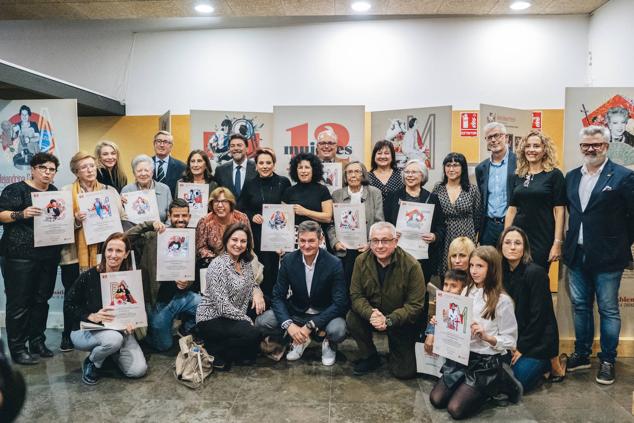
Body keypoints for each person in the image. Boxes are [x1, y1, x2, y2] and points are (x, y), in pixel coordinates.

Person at [563, 125, 634, 385]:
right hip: (576, 255)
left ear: (606, 146)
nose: (591, 149)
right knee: (580, 307)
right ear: (580, 147)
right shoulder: (571, 177)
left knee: (608, 309)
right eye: (586, 145)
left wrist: (619, 243)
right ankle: (582, 355)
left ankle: (607, 360)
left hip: (608, 257)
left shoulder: (623, 176)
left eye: (597, 144)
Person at [429, 246, 520, 420]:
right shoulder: (467, 290)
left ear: (492, 268)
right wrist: (440, 322)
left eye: (480, 266)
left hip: (486, 362)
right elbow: (456, 321)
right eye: (471, 265)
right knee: (437, 399)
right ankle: (468, 386)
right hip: (463, 355)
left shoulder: (503, 301)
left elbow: (511, 340)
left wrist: (487, 336)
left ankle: (497, 383)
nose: (473, 271)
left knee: (455, 409)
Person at [59, 152, 127, 352]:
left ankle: (102, 329)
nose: (89, 170)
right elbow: (57, 224)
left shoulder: (110, 191)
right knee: (71, 294)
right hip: (73, 254)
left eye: (91, 166)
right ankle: (68, 332)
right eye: (84, 167)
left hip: (102, 252)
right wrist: (76, 220)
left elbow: (122, 219)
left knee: (101, 293)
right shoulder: (65, 192)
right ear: (76, 172)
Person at [256, 221, 347, 366]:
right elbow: (278, 297)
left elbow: (340, 302)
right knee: (263, 322)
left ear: (321, 240)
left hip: (324, 313)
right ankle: (297, 339)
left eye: (311, 241)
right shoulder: (289, 260)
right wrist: (289, 325)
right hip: (298, 311)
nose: (306, 245)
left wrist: (310, 325)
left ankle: (328, 343)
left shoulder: (333, 263)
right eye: (302, 241)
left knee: (338, 330)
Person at [0, 153, 62, 365]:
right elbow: (1, 215)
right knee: (19, 303)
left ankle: (37, 341)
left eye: (52, 170)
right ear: (33, 169)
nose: (47, 173)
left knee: (41, 301)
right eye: (43, 168)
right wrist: (21, 214)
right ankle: (18, 348)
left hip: (47, 255)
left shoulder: (54, 192)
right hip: (19, 256)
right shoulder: (16, 190)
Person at [64, 233, 147, 385]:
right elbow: (69, 304)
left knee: (138, 370)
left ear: (126, 254)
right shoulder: (89, 276)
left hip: (120, 330)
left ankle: (109, 354)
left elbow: (134, 309)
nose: (113, 255)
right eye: (109, 250)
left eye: (119, 251)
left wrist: (132, 323)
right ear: (104, 252)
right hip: (87, 330)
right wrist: (90, 315)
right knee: (114, 340)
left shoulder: (131, 278)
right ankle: (93, 362)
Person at [347, 221, 425, 379]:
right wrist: (371, 314)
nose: (380, 246)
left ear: (395, 242)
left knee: (404, 372)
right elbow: (356, 296)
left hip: (399, 321)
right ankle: (370, 356)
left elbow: (415, 306)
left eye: (385, 240)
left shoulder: (412, 266)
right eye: (375, 241)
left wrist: (389, 320)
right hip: (373, 317)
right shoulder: (361, 261)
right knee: (352, 318)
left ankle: (396, 350)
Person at [126, 199, 201, 351]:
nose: (181, 219)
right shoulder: (154, 235)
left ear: (189, 216)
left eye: (184, 216)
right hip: (159, 302)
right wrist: (149, 224)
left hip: (181, 298)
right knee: (164, 345)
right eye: (176, 215)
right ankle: (149, 334)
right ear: (169, 215)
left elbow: (193, 271)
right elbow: (125, 237)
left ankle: (185, 328)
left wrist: (188, 283)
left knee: (207, 306)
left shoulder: (191, 237)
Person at [499, 226, 565, 392]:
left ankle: (546, 364)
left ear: (525, 248)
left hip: (537, 342)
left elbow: (539, 318)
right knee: (498, 376)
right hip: (514, 339)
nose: (512, 247)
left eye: (517, 243)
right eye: (507, 242)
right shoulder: (501, 274)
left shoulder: (536, 273)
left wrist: (521, 347)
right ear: (501, 246)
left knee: (516, 382)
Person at [196, 223, 264, 370]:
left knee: (267, 305)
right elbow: (222, 306)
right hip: (212, 317)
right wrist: (246, 319)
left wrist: (258, 292)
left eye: (243, 241)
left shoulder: (244, 262)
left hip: (234, 311)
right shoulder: (218, 265)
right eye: (234, 240)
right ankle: (213, 349)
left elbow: (252, 283)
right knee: (254, 334)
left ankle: (236, 349)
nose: (238, 245)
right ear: (226, 240)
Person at [505, 131, 565, 271]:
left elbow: (559, 211)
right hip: (518, 236)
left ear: (545, 150)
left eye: (536, 146)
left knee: (538, 278)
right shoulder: (517, 175)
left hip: (542, 238)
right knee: (516, 278)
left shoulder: (554, 175)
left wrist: (557, 243)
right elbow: (512, 209)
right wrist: (506, 238)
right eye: (528, 146)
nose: (531, 150)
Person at [237, 148, 291, 297]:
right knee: (261, 270)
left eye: (268, 162)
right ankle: (261, 302)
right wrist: (252, 215)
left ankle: (278, 303)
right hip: (258, 235)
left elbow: (290, 208)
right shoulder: (250, 184)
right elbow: (241, 208)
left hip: (279, 234)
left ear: (274, 164)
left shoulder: (284, 182)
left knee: (278, 270)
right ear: (256, 166)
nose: (265, 166)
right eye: (261, 163)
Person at [386, 159, 446, 284]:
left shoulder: (432, 198)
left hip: (423, 256)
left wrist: (434, 236)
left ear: (422, 175)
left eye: (414, 172)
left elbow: (441, 226)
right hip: (397, 254)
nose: (409, 175)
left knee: (420, 291)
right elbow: (384, 223)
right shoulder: (393, 196)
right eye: (407, 172)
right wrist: (390, 233)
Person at [328, 161, 383, 288]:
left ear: (363, 174)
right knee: (344, 284)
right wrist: (335, 242)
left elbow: (379, 222)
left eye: (357, 171)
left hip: (367, 248)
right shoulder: (337, 195)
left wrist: (371, 244)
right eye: (349, 172)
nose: (353, 175)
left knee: (367, 285)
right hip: (344, 249)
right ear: (345, 176)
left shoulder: (374, 193)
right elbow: (330, 224)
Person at [433, 153, 481, 278]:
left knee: (467, 272)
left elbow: (478, 216)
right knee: (446, 270)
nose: (451, 169)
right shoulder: (438, 188)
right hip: (445, 235)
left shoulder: (472, 189)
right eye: (448, 165)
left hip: (466, 234)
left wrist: (472, 233)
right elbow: (433, 214)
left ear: (463, 168)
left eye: (456, 165)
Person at [475, 122, 517, 246]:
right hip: (489, 227)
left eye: (497, 135)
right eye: (489, 137)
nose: (493, 140)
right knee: (488, 263)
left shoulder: (519, 163)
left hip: (514, 224)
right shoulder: (481, 168)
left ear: (506, 138)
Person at [196, 187, 250, 264]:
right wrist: (217, 261)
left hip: (239, 261)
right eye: (216, 201)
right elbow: (200, 248)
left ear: (230, 203)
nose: (220, 205)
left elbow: (249, 244)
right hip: (213, 263)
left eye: (224, 201)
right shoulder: (204, 221)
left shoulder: (242, 218)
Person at [282, 152, 333, 233]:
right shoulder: (289, 191)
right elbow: (283, 219)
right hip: (295, 237)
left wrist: (305, 212)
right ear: (296, 170)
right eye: (300, 167)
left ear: (314, 170)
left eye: (307, 167)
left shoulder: (322, 190)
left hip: (317, 237)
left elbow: (327, 218)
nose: (303, 171)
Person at [423, 269, 469, 355]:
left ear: (464, 289)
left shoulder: (467, 308)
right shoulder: (444, 304)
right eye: (445, 284)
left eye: (453, 286)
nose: (447, 289)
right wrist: (432, 330)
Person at [121, 154, 172, 223]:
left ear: (152, 172)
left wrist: (164, 230)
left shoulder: (164, 189)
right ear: (134, 173)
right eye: (139, 171)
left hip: (160, 232)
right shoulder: (126, 190)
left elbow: (171, 216)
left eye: (146, 170)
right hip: (134, 232)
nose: (143, 174)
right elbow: (122, 218)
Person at [214, 134, 256, 200]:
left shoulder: (257, 168)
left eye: (239, 145)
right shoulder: (220, 170)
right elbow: (216, 196)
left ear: (247, 148)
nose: (236, 148)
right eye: (232, 146)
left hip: (252, 210)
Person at [368, 140, 403, 219]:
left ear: (392, 156)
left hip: (398, 220)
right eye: (379, 153)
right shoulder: (367, 177)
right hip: (374, 221)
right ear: (374, 156)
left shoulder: (401, 175)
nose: (383, 156)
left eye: (386, 153)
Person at [152, 130, 186, 198]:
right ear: (154, 144)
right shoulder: (145, 164)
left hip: (172, 206)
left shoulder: (182, 167)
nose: (161, 145)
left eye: (165, 142)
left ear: (171, 146)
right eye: (159, 141)